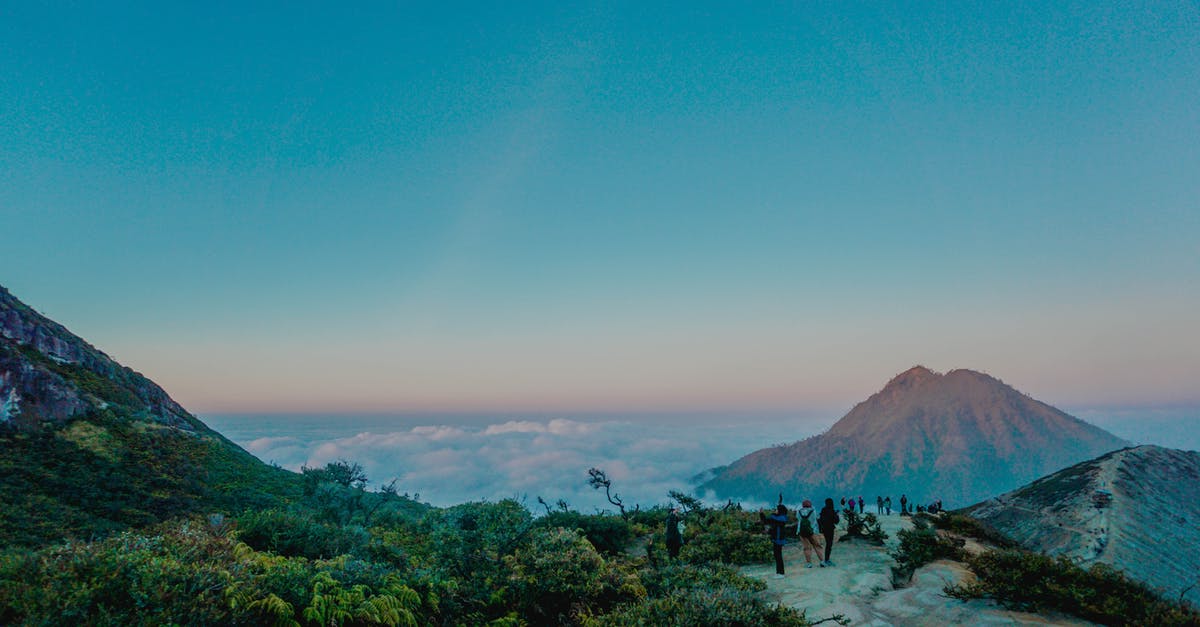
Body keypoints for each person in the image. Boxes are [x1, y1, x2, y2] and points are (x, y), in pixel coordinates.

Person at [765, 504, 790, 578]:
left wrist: (772, 515)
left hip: (779, 539)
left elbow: (774, 518)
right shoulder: (778, 517)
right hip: (776, 539)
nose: (775, 511)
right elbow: (767, 520)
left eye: (777, 509)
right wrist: (761, 514)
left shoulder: (782, 518)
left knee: (778, 556)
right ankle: (778, 572)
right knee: (777, 555)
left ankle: (781, 573)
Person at [797, 499, 823, 568]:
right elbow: (815, 520)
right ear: (810, 505)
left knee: (806, 548)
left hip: (802, 532)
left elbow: (798, 520)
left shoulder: (799, 511)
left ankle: (809, 564)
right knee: (817, 546)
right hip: (813, 532)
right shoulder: (813, 511)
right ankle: (822, 561)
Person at [818, 498, 840, 567]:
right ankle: (827, 560)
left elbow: (820, 520)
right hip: (830, 529)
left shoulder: (823, 510)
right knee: (829, 544)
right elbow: (836, 521)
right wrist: (837, 515)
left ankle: (825, 559)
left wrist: (820, 529)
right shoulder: (832, 510)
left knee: (827, 543)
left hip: (824, 529)